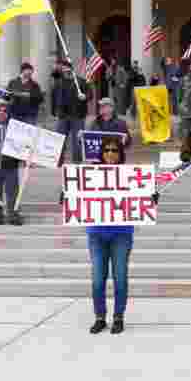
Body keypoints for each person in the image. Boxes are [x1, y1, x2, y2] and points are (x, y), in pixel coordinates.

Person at [75, 137, 157, 335]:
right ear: (101, 154)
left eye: (114, 150)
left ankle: (118, 317)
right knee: (97, 279)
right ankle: (100, 317)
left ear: (120, 154)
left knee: (120, 277)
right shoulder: (91, 174)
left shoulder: (129, 175)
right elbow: (79, 196)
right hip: (96, 233)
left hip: (121, 233)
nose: (110, 154)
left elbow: (141, 197)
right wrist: (68, 196)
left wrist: (150, 197)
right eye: (107, 150)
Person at [52, 60, 91, 164]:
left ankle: (77, 162)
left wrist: (85, 96)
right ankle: (58, 161)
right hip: (62, 116)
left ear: (71, 69)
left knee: (77, 141)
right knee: (59, 140)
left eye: (67, 68)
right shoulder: (58, 82)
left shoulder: (80, 81)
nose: (65, 70)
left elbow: (89, 94)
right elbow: (53, 97)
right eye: (63, 68)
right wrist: (54, 112)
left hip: (78, 115)